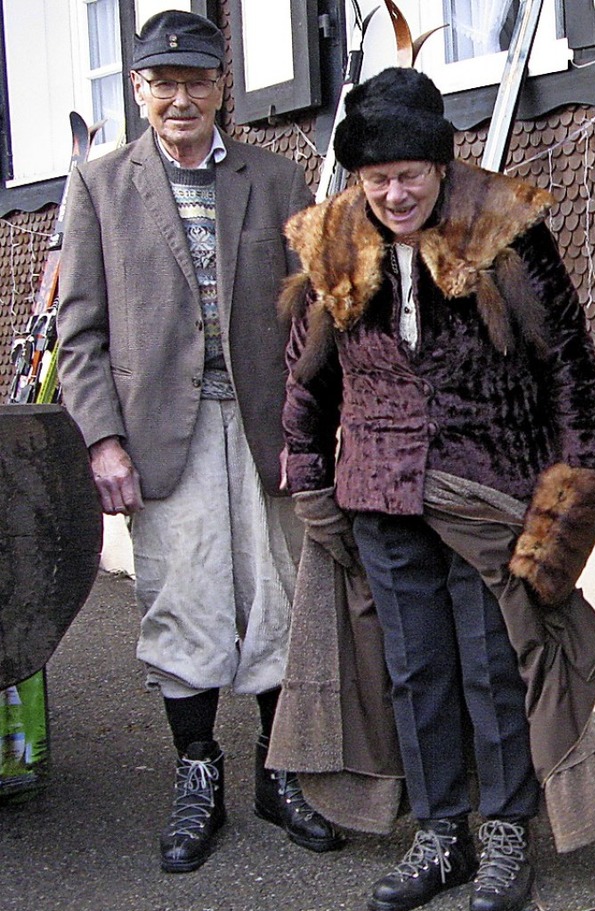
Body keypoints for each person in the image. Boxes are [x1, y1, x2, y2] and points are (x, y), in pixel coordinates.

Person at [280, 67, 595, 911]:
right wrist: (310, 479)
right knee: (414, 669)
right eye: (377, 179)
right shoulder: (331, 240)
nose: (394, 194)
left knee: (491, 665)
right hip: (379, 490)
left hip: (488, 489)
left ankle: (507, 833)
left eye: (410, 175)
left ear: (442, 165)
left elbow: (571, 371)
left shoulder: (505, 231)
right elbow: (307, 381)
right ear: (358, 178)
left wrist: (572, 499)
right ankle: (441, 835)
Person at [56, 8, 343, 875]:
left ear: (225, 87)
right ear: (139, 90)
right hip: (160, 438)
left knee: (277, 599)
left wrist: (312, 429)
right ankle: (197, 773)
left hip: (265, 431)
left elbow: (316, 320)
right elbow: (81, 333)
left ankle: (275, 774)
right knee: (182, 602)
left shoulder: (279, 178)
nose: (182, 98)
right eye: (164, 82)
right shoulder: (99, 187)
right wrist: (103, 441)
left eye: (199, 81)